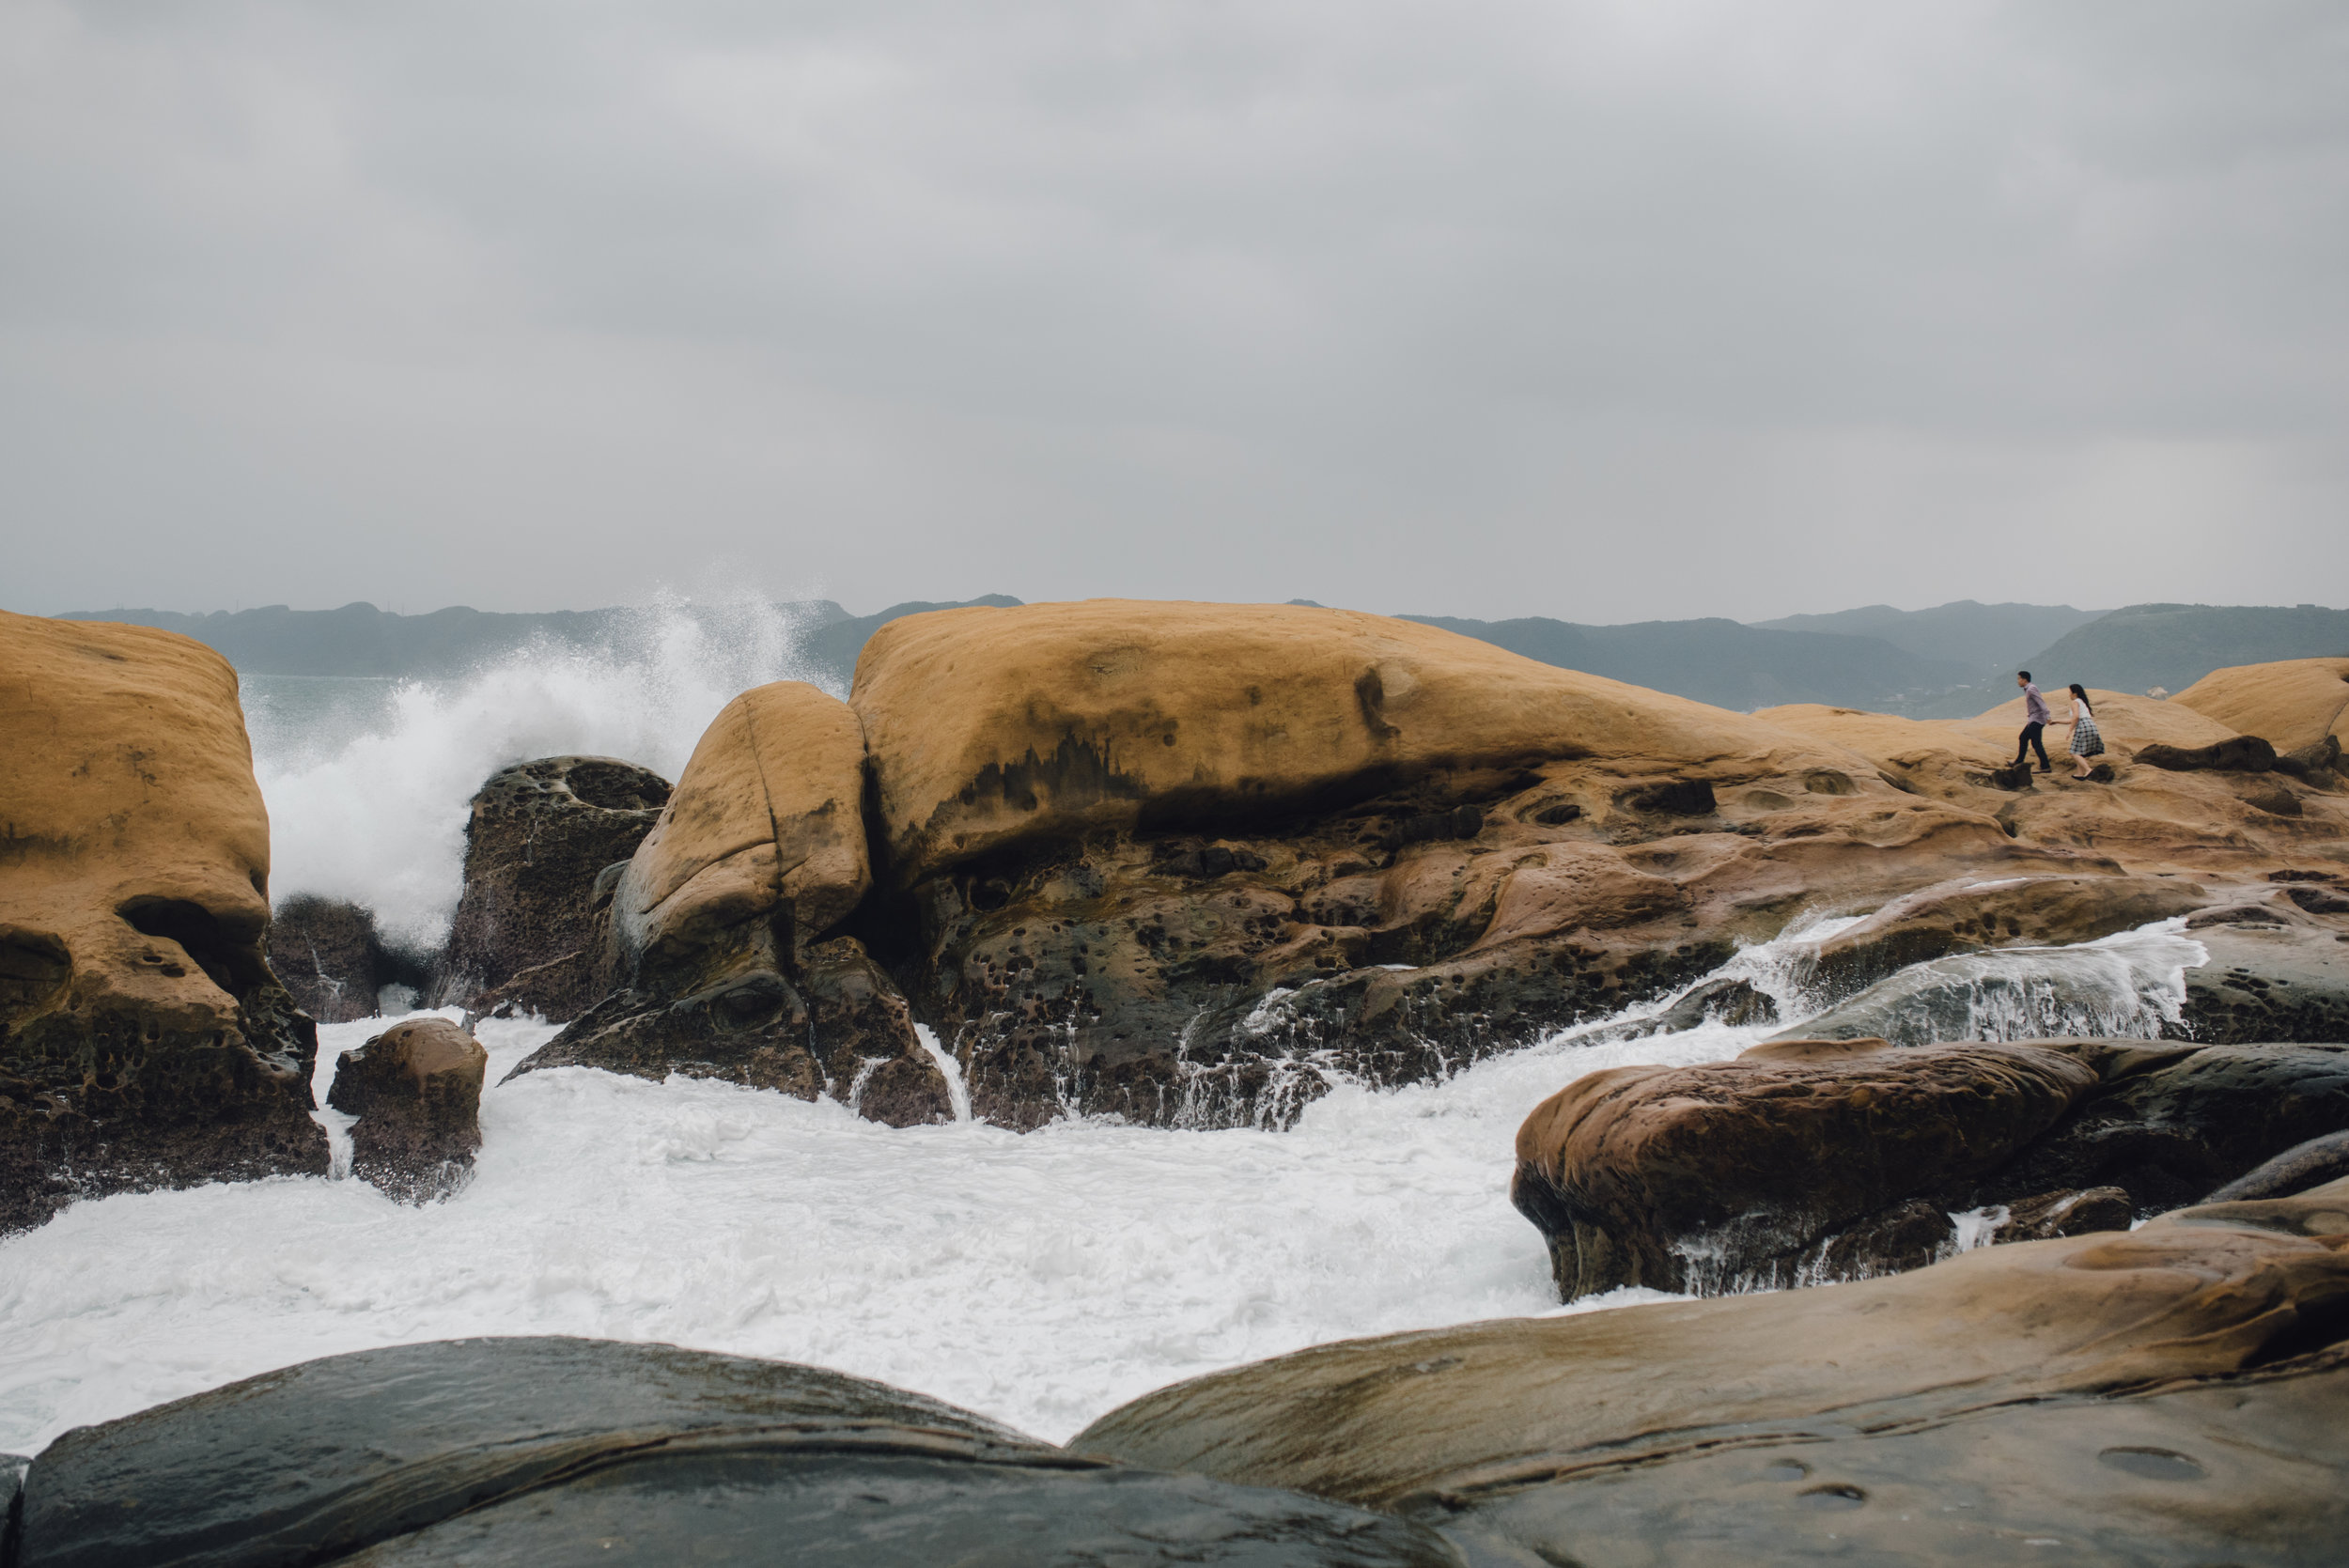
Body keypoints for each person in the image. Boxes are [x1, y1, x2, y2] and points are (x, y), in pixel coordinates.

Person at [2049, 682, 2106, 779]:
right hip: (2091, 725)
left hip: (2083, 727)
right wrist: (2056, 721)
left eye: (2070, 692)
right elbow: (2073, 719)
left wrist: (2070, 731)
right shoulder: (2082, 702)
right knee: (2080, 752)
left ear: (2074, 693)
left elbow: (2076, 717)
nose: (2069, 694)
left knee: (2074, 752)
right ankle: (2080, 774)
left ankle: (2088, 770)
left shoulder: (2075, 702)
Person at [2013, 671, 2052, 773]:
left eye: (2019, 679)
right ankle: (2019, 761)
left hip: (2037, 720)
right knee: (2023, 737)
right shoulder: (2028, 689)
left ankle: (2045, 766)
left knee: (2036, 743)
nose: (2018, 681)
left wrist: (2048, 715)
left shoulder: (2031, 689)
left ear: (2024, 679)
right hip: (2034, 719)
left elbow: (2041, 702)